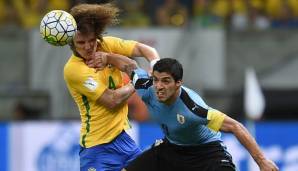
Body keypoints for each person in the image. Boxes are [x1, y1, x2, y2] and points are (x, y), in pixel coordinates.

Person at [119, 58, 278, 171]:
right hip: (172, 148)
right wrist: (105, 57)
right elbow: (129, 66)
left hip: (207, 152)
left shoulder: (193, 108)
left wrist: (262, 161)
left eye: (166, 81)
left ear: (178, 83)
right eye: (156, 80)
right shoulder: (146, 88)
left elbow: (236, 126)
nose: (159, 86)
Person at [64, 3, 159, 171]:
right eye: (81, 42)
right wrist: (139, 81)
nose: (88, 47)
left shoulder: (107, 45)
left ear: (98, 37)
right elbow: (112, 100)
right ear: (72, 42)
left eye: (92, 41)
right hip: (96, 148)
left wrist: (155, 66)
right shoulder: (74, 70)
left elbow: (146, 50)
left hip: (123, 140)